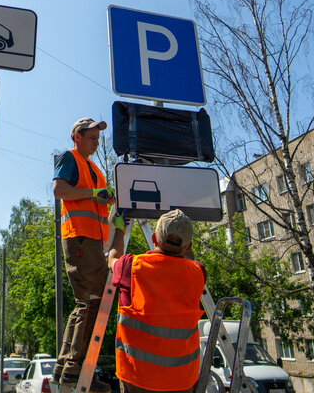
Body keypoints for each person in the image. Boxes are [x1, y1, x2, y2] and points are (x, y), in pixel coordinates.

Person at [108, 209, 206, 393]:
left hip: (138, 379)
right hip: (182, 381)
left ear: (154, 238)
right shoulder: (198, 273)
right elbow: (190, 261)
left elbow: (112, 258)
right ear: (188, 245)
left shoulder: (132, 266)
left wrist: (120, 229)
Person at [52, 117, 115, 392]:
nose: (96, 142)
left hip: (92, 242)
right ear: (76, 136)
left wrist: (107, 197)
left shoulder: (94, 168)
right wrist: (95, 193)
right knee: (91, 302)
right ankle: (76, 371)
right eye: (92, 137)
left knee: (85, 304)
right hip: (80, 239)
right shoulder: (71, 157)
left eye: (98, 139)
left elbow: (95, 198)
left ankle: (66, 368)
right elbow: (59, 190)